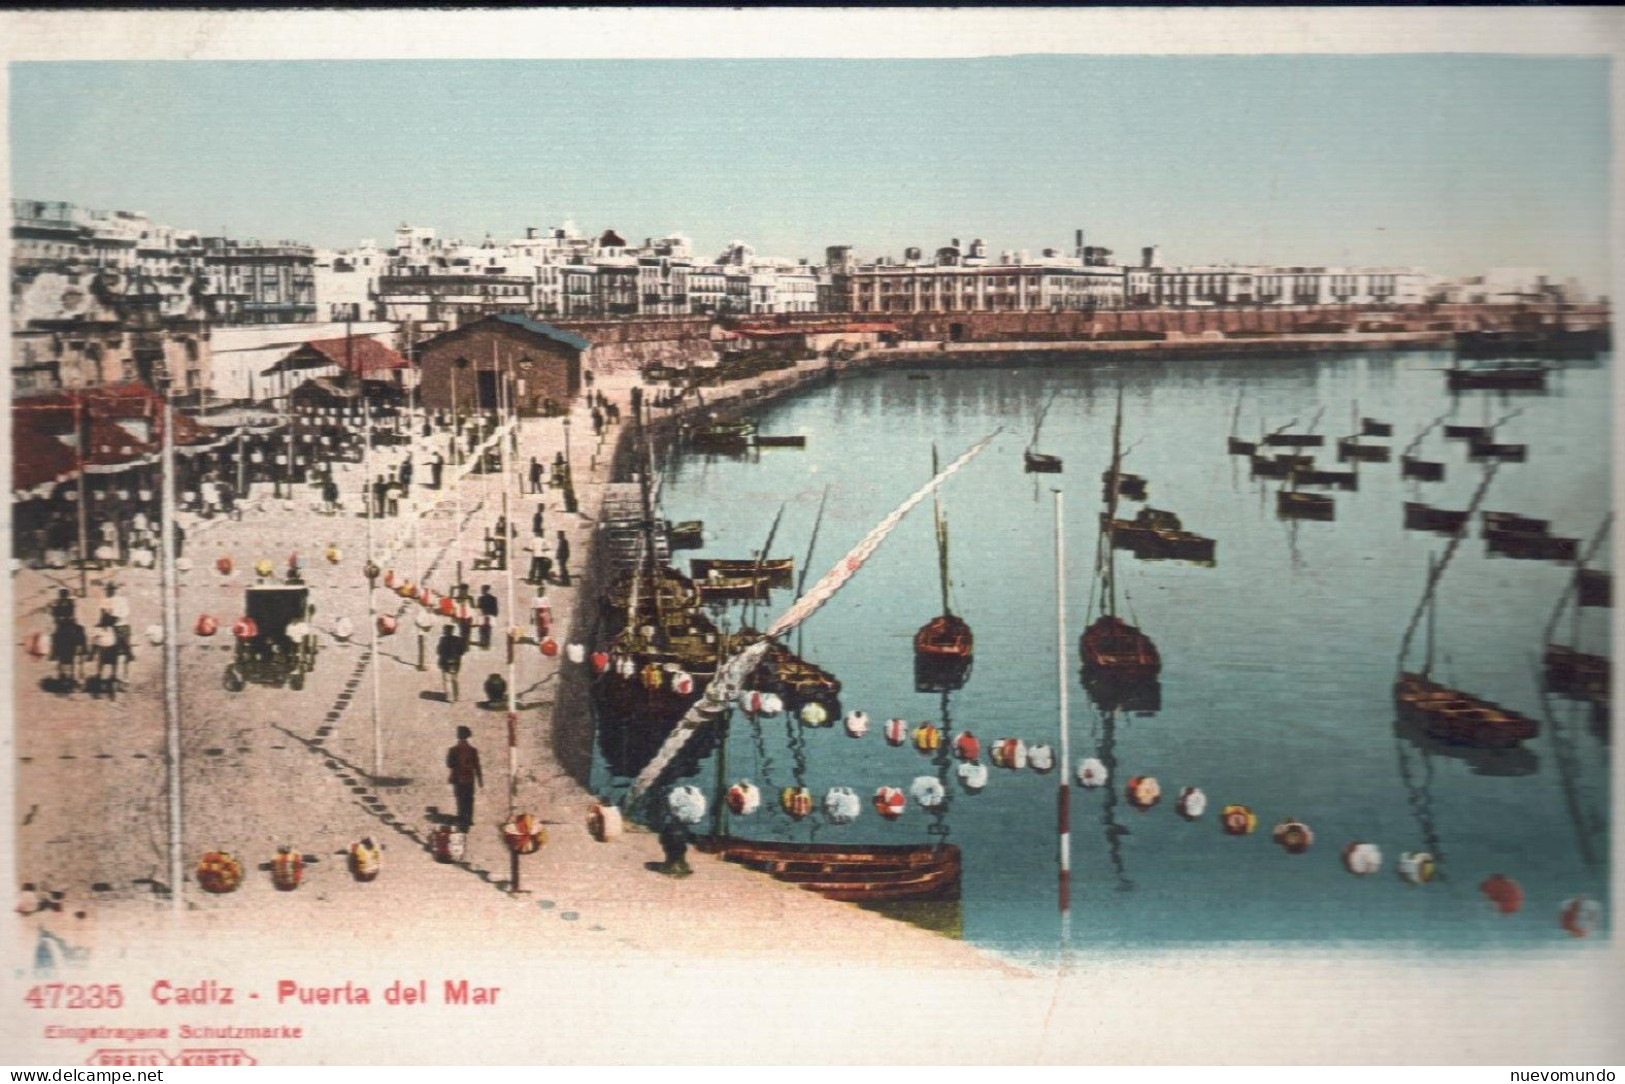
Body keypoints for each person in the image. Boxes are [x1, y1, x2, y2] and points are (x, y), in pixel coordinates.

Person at [445, 726, 483, 832]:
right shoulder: (472, 750)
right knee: (469, 799)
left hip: (457, 778)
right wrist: (480, 779)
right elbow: (477, 765)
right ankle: (468, 819)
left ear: (458, 736)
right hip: (469, 778)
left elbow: (449, 764)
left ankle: (461, 820)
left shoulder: (453, 750)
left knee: (460, 799)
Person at [100, 584, 132, 679]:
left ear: (114, 590)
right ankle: (108, 673)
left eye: (110, 590)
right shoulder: (104, 601)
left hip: (120, 625)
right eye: (107, 590)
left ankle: (126, 673)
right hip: (110, 625)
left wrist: (114, 619)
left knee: (124, 645)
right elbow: (102, 614)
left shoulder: (121, 600)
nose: (108, 592)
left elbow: (124, 613)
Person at [50, 616, 86, 687]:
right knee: (65, 662)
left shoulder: (76, 628)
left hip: (69, 647)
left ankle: (68, 676)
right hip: (66, 646)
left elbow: (80, 639)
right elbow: (56, 639)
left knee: (68, 662)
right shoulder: (62, 628)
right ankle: (64, 676)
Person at [90, 616, 119, 698]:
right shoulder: (98, 630)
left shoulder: (112, 629)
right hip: (103, 650)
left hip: (112, 650)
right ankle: (97, 691)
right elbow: (94, 641)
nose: (106, 625)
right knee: (100, 670)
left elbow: (117, 640)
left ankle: (111, 691)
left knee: (113, 671)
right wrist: (92, 653)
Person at [436, 624, 467, 702]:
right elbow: (462, 651)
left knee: (447, 680)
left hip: (445, 662)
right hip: (456, 662)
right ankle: (457, 696)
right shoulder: (458, 639)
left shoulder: (442, 639)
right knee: (455, 679)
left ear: (445, 631)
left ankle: (449, 697)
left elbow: (439, 651)